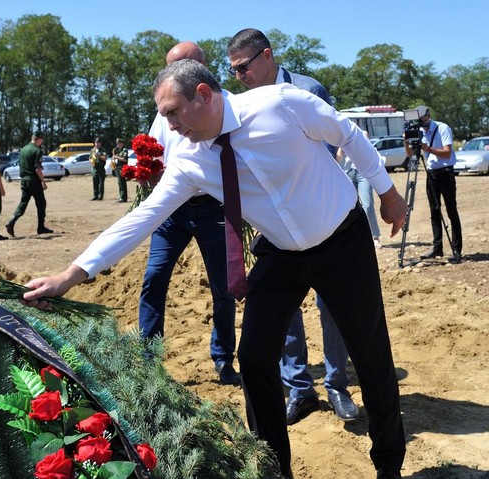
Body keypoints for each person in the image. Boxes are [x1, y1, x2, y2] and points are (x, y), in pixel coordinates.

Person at [22, 60, 408, 479]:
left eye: (172, 112)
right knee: (255, 357)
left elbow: (348, 134)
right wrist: (70, 275)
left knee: (371, 356)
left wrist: (388, 193)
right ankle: (274, 468)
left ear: (203, 95)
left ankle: (388, 464)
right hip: (280, 254)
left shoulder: (283, 104)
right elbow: (142, 218)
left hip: (341, 240)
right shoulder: (190, 161)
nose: (167, 125)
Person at [227, 27, 358, 423]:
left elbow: (333, 147)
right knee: (286, 311)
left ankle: (337, 385)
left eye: (244, 67)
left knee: (330, 303)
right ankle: (300, 388)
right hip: (275, 224)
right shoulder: (240, 104)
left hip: (322, 220)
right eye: (233, 72)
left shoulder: (308, 89)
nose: (240, 77)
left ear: (267, 56)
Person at [140, 41, 240, 386]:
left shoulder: (226, 105)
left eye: (181, 64)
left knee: (223, 286)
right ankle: (148, 357)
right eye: (168, 66)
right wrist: (147, 170)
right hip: (173, 211)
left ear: (201, 66)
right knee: (154, 278)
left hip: (213, 207)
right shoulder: (163, 110)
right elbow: (154, 153)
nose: (173, 74)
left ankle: (224, 358)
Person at [404, 105, 462, 263]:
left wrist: (427, 148)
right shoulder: (419, 131)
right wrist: (406, 140)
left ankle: (457, 249)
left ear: (428, 115)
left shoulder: (442, 128)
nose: (421, 121)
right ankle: (438, 248)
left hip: (446, 173)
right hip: (431, 174)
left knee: (451, 210)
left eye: (423, 117)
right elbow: (411, 155)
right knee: (434, 211)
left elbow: (447, 152)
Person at [338, 130, 383, 249]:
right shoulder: (343, 136)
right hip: (348, 172)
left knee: (367, 205)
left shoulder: (362, 133)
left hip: (363, 173)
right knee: (348, 208)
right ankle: (354, 239)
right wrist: (340, 150)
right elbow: (337, 158)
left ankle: (375, 236)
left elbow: (368, 152)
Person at [5, 132, 53, 237]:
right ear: (39, 139)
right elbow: (37, 169)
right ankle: (41, 227)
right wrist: (43, 182)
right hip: (34, 180)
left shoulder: (23, 150)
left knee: (23, 203)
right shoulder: (37, 150)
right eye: (42, 140)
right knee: (41, 203)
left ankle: (11, 221)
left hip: (24, 180)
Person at [112, 138, 129, 203]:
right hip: (118, 168)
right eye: (117, 143)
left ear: (121, 144)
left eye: (118, 143)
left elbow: (125, 160)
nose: (117, 145)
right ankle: (121, 197)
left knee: (122, 183)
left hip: (122, 168)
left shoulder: (124, 151)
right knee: (120, 183)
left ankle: (124, 198)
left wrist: (117, 157)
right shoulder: (118, 151)